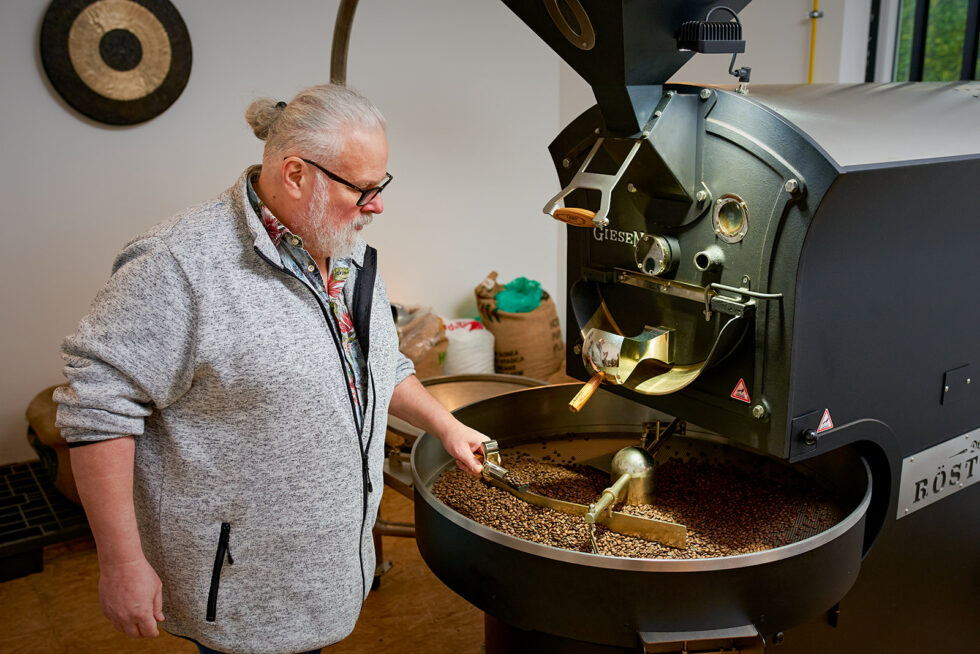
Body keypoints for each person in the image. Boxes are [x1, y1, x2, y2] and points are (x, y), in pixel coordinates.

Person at [54, 84, 489, 654]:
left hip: (329, 564)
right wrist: (121, 562)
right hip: (242, 581)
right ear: (295, 175)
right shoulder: (178, 265)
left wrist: (446, 426)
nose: (377, 205)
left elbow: (380, 364)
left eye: (382, 185)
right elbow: (97, 411)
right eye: (363, 188)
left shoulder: (344, 249)